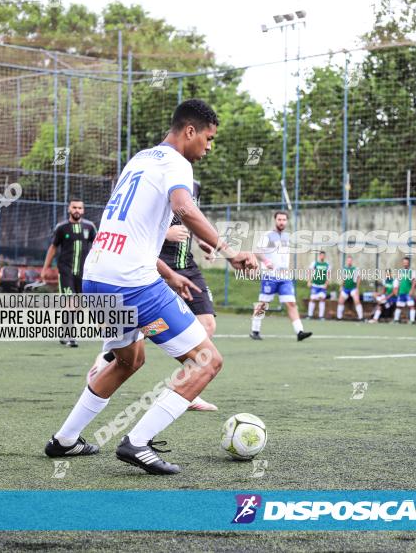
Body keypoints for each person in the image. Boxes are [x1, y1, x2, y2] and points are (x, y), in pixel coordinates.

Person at [43, 99, 257, 475]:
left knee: (130, 360)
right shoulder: (178, 164)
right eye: (208, 139)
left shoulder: (140, 159)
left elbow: (133, 228)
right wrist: (229, 251)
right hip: (132, 285)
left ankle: (64, 440)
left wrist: (170, 272)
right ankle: (137, 443)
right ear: (189, 131)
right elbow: (184, 207)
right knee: (206, 361)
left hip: (97, 278)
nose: (208, 147)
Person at [86, 180, 218, 412]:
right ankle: (108, 358)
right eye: (206, 140)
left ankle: (185, 389)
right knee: (149, 328)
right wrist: (167, 233)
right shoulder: (156, 178)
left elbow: (191, 217)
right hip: (155, 262)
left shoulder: (193, 184)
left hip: (186, 265)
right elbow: (134, 223)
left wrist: (203, 241)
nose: (206, 148)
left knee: (207, 323)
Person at [40, 199, 96, 348]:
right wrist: (45, 268)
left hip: (83, 274)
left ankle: (64, 330)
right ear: (69, 209)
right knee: (70, 304)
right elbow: (53, 248)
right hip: (66, 272)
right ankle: (71, 336)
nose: (77, 210)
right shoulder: (62, 228)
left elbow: (97, 247)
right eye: (74, 207)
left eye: (80, 208)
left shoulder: (89, 227)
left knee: (78, 306)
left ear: (83, 210)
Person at [250, 211, 312, 341]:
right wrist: (266, 261)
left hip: (285, 278)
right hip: (270, 276)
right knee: (263, 304)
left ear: (287, 221)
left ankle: (299, 331)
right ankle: (255, 330)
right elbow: (257, 251)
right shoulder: (268, 236)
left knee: (291, 303)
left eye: (284, 220)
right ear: (275, 220)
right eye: (279, 219)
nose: (282, 222)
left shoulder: (286, 237)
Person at [337, 256, 364, 320]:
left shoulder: (355, 269)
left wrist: (357, 288)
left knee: (357, 301)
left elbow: (358, 279)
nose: (349, 262)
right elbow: (343, 279)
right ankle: (339, 317)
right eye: (348, 260)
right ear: (347, 261)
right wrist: (341, 286)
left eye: (350, 260)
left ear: (352, 261)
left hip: (353, 288)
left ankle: (361, 317)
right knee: (340, 301)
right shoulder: (344, 269)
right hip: (345, 288)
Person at [307, 251, 330, 320]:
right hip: (315, 285)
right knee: (312, 299)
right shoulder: (314, 263)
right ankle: (310, 315)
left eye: (323, 255)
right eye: (321, 255)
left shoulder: (327, 265)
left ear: (324, 256)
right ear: (319, 256)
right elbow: (309, 272)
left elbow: (328, 275)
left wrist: (326, 284)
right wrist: (309, 281)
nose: (322, 257)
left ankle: (321, 316)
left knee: (322, 299)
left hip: (322, 285)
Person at [393, 256, 416, 324]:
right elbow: (397, 281)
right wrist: (396, 289)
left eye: (406, 263)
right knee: (399, 306)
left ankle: (412, 320)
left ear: (409, 263)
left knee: (411, 306)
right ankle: (396, 320)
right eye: (404, 262)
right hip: (401, 292)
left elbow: (414, 282)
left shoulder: (411, 271)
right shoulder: (400, 271)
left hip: (408, 292)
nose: (405, 264)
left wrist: (411, 290)